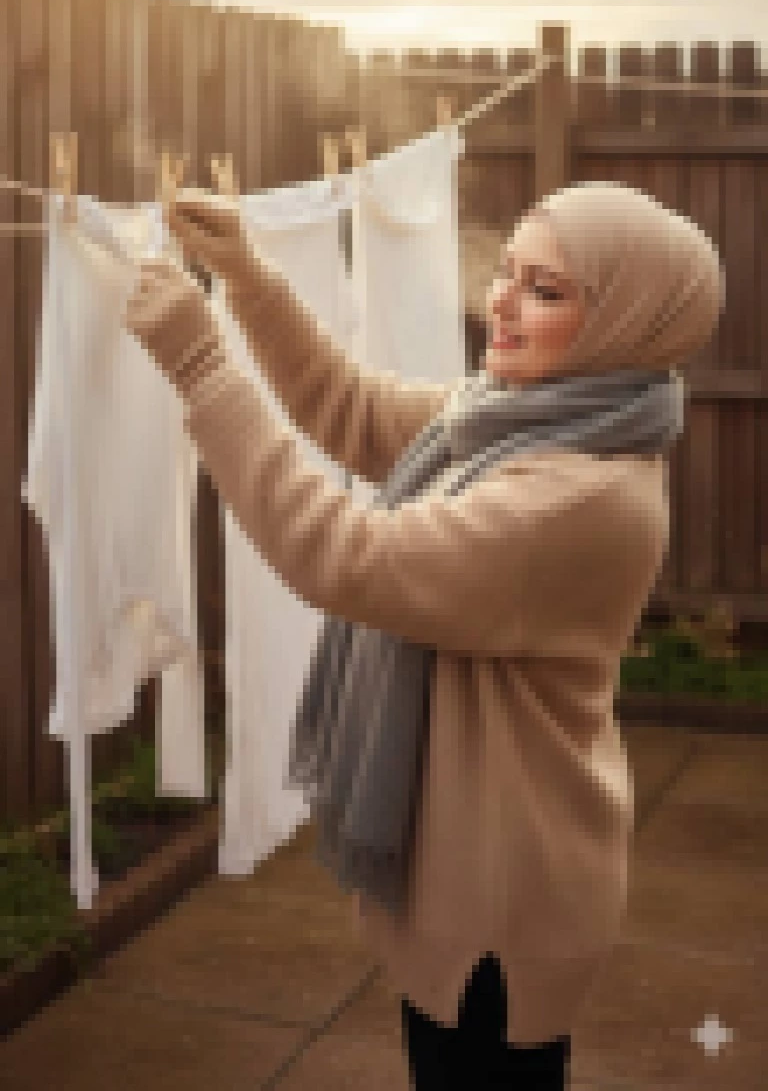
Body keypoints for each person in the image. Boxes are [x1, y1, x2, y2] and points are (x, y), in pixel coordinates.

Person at [124, 177, 724, 1091]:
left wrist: (204, 365)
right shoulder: (524, 421)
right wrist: (246, 276)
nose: (504, 303)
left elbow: (345, 555)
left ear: (629, 324)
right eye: (510, 272)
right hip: (481, 868)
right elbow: (353, 409)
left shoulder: (581, 495)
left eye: (546, 289)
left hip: (502, 903)